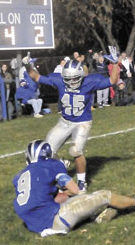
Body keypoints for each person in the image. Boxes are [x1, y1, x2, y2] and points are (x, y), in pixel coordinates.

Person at [12, 139, 135, 237]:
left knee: (69, 200)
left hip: (35, 226)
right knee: (103, 195)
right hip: (58, 221)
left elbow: (50, 198)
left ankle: (95, 215)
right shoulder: (50, 165)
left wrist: (63, 193)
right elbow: (76, 190)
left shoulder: (18, 178)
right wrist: (66, 185)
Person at [27, 48, 120, 193]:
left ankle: (82, 181)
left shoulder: (90, 81)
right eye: (68, 79)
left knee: (76, 151)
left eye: (74, 79)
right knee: (48, 150)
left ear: (81, 75)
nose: (71, 82)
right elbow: (37, 77)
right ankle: (61, 165)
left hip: (82, 122)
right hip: (64, 121)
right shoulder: (59, 80)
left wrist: (115, 63)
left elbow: (113, 80)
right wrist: (28, 64)